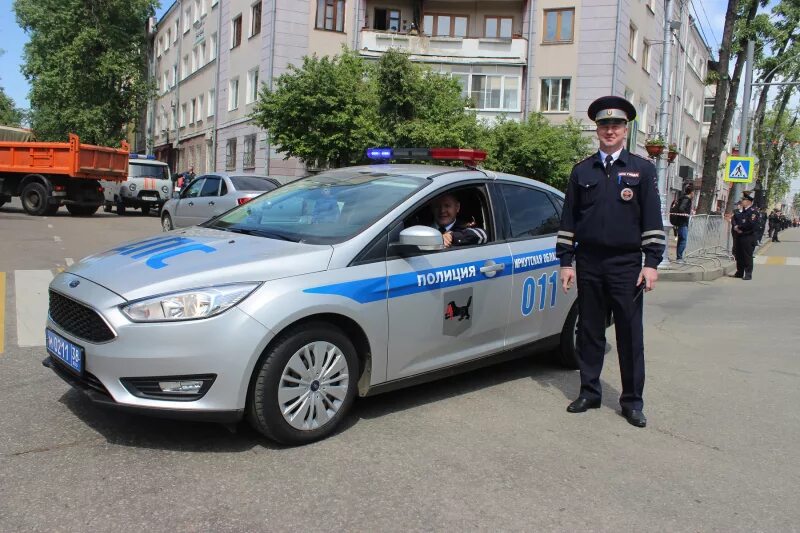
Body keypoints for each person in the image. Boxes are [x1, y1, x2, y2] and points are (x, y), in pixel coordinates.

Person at [556, 95, 665, 429]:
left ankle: (632, 401)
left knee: (630, 335)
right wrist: (566, 262)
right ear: (597, 129)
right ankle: (589, 392)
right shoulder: (582, 170)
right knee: (589, 332)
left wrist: (651, 263)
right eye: (604, 125)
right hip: (589, 262)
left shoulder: (642, 169)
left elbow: (652, 220)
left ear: (625, 129)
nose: (609, 130)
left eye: (615, 125)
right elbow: (568, 220)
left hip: (626, 264)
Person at [732, 192, 758, 280]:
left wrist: (739, 227)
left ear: (749, 201)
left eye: (744, 200)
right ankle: (739, 272)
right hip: (739, 236)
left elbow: (751, 224)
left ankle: (748, 274)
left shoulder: (753, 212)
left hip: (748, 236)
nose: (742, 201)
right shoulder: (743, 211)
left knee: (747, 256)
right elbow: (737, 219)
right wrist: (736, 227)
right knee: (739, 255)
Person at [670, 184, 693, 261]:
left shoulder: (682, 198)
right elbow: (681, 209)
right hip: (683, 223)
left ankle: (679, 257)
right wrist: (686, 216)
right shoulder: (686, 199)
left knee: (680, 240)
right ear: (691, 193)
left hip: (680, 222)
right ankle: (679, 258)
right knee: (683, 240)